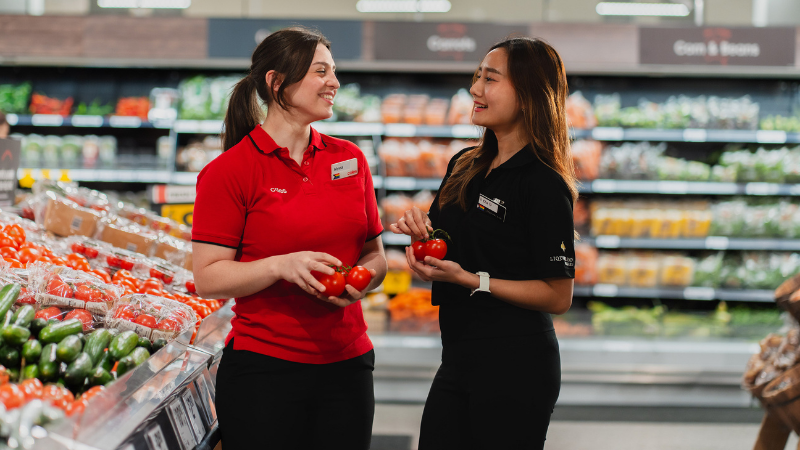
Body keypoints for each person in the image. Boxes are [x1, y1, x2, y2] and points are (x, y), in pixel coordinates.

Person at [191, 27, 387, 450]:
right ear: (276, 82)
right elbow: (207, 277)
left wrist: (362, 280)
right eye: (321, 72)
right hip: (264, 372)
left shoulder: (350, 160)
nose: (335, 83)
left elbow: (376, 255)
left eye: (334, 72)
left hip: (349, 367)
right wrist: (281, 265)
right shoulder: (229, 171)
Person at [390, 37, 576, 450]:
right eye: (477, 77)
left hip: (517, 364)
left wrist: (474, 280)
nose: (475, 89)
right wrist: (421, 233)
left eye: (490, 79)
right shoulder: (464, 163)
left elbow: (558, 294)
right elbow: (445, 240)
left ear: (528, 95)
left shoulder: (543, 183)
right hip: (457, 355)